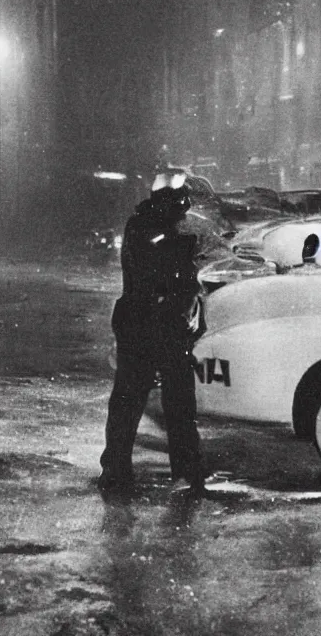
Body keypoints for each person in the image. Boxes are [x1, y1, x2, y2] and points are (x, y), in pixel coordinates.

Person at [98, 172, 210, 495]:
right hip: (144, 324)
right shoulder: (145, 228)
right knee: (134, 403)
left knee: (171, 404)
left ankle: (184, 472)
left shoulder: (160, 227)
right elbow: (155, 266)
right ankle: (118, 472)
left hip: (160, 324)